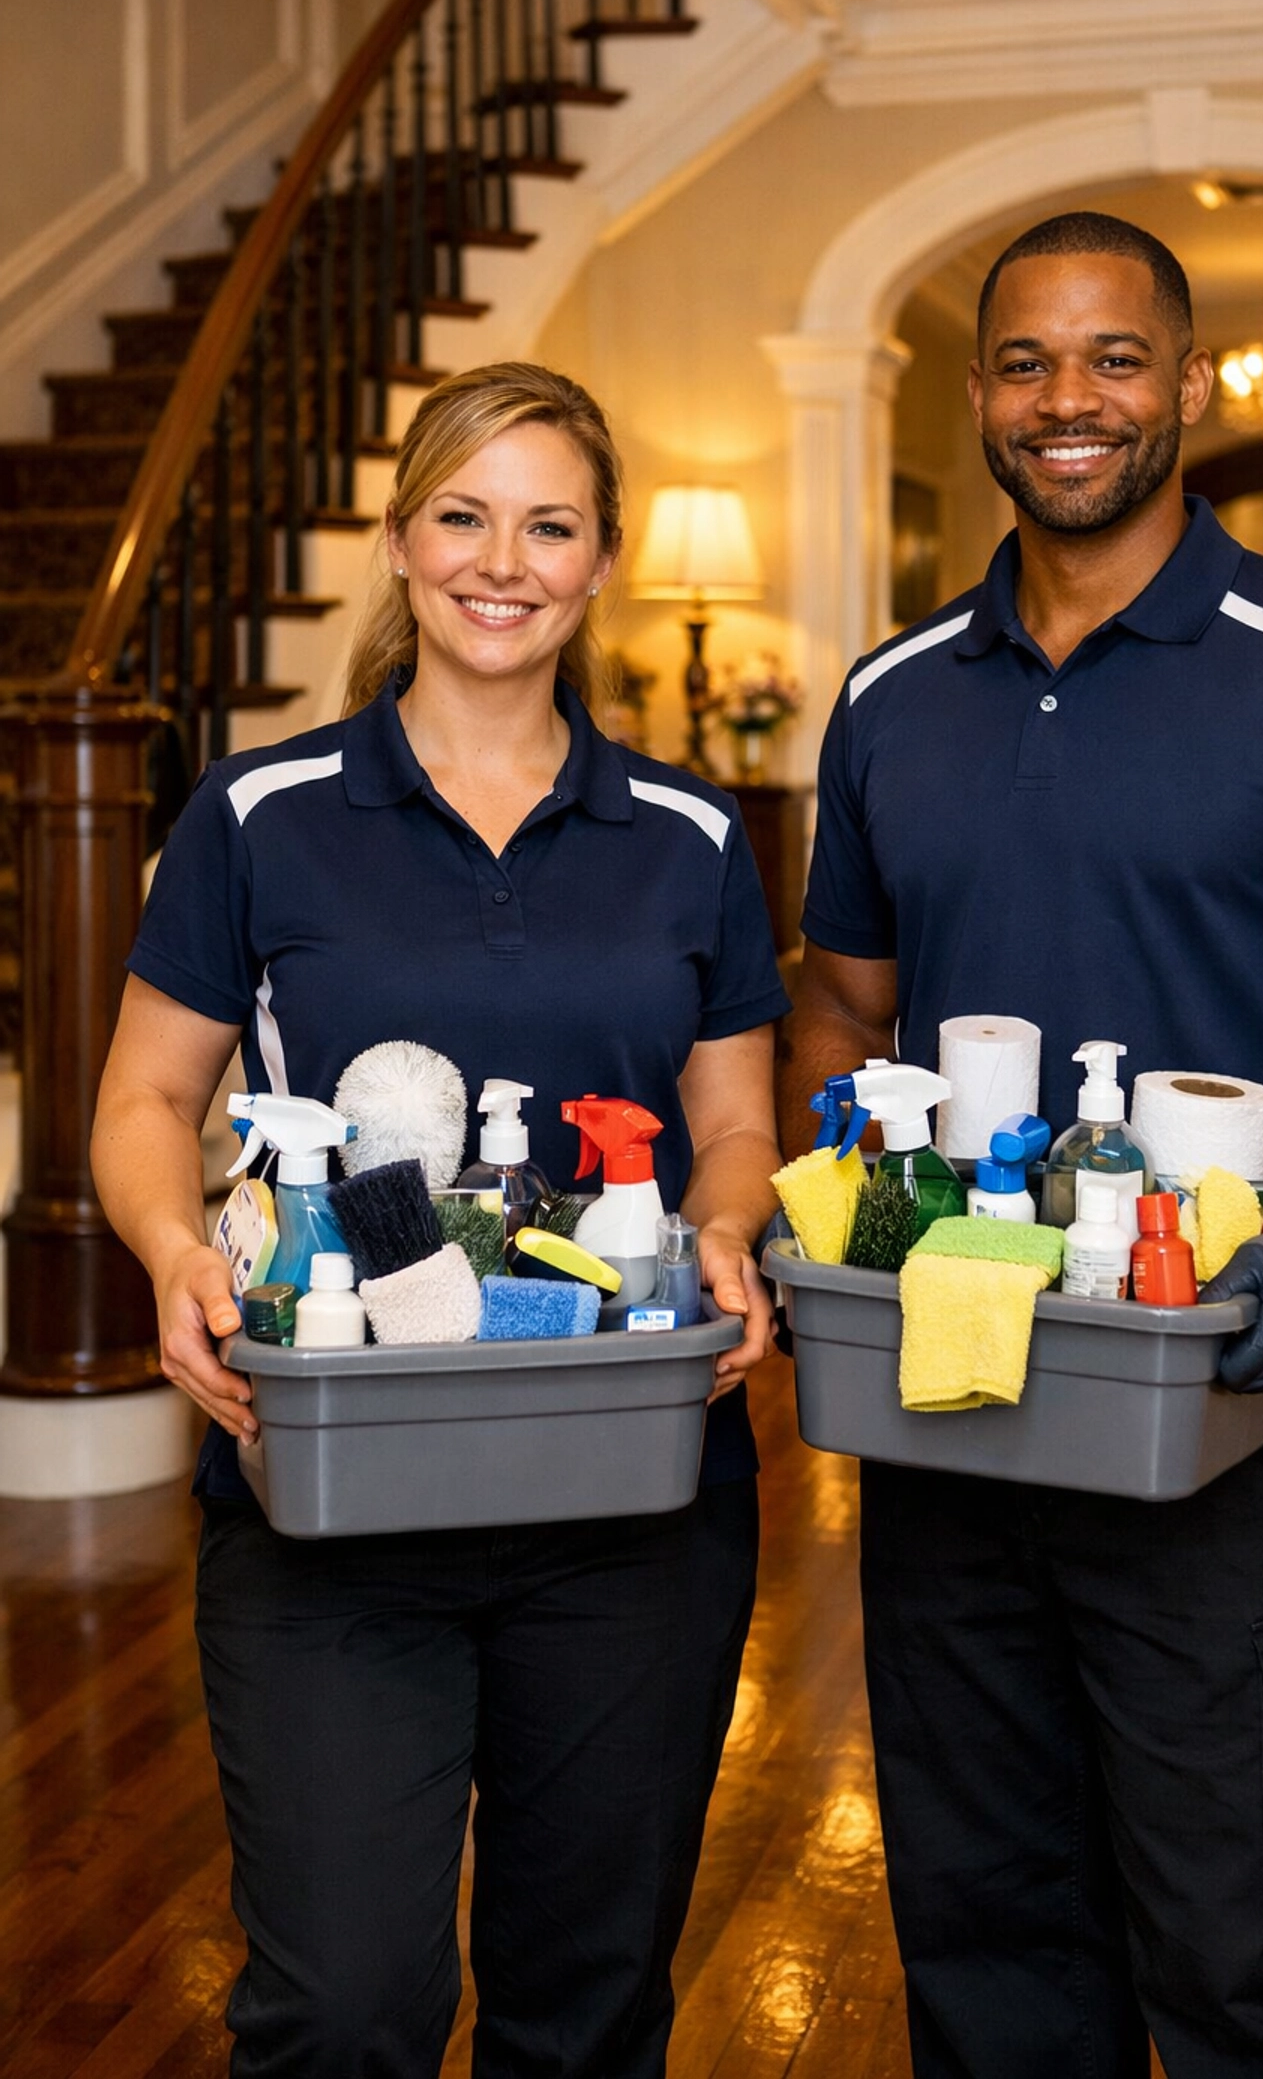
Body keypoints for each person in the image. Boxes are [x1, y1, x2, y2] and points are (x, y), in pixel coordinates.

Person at [778, 212, 1263, 2079]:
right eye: (1027, 361)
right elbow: (842, 1005)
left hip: (1228, 1408)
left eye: (1116, 357)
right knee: (987, 1942)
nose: (1071, 399)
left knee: (1244, 1948)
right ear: (980, 396)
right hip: (953, 1399)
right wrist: (832, 1214)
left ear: (1190, 383)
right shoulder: (889, 698)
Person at [92, 361, 789, 2079]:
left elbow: (734, 1125)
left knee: (589, 2004)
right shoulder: (258, 816)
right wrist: (179, 1257)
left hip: (630, 1498)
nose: (503, 561)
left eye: (549, 526)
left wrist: (723, 1235)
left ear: (603, 559)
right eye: (464, 517)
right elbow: (146, 1102)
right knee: (338, 2011)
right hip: (332, 1490)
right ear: (402, 542)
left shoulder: (692, 833)